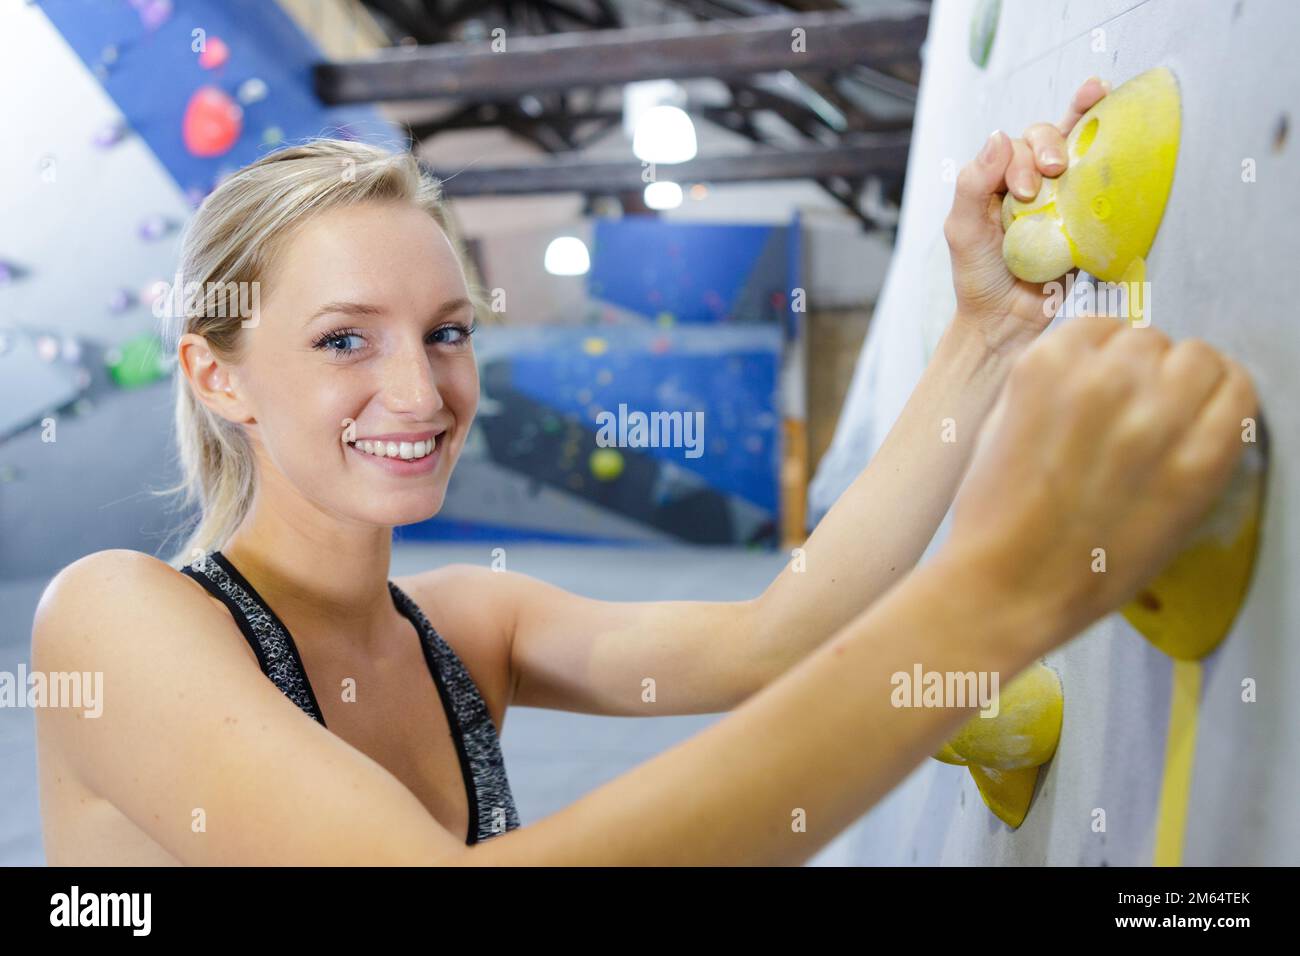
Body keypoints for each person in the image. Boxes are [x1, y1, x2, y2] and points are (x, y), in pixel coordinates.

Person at [31, 78, 1255, 865]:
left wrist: (984, 330)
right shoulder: (113, 619)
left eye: (446, 332)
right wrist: (1004, 591)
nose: (418, 392)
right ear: (217, 374)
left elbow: (775, 638)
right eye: (344, 337)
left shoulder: (467, 629)